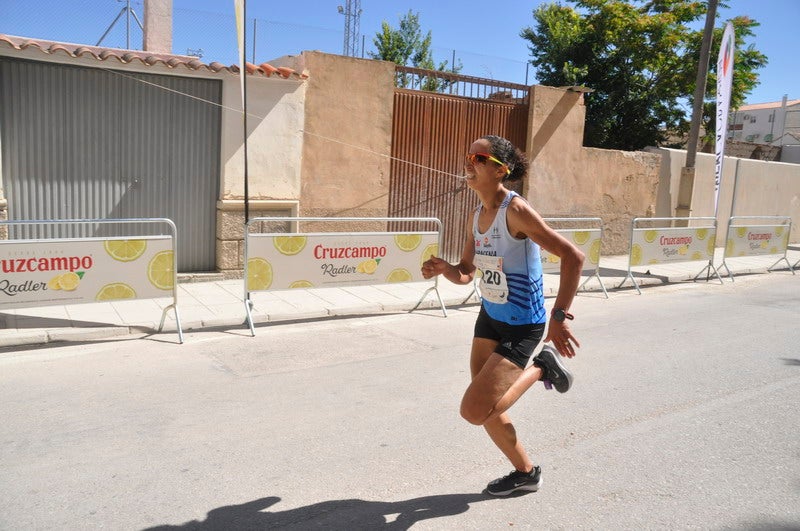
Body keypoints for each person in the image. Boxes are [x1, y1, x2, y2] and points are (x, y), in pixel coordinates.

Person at [421, 135, 584, 496]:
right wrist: (444, 268)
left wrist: (558, 317)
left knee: (475, 410)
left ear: (500, 170)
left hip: (523, 324)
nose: (469, 162)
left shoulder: (516, 210)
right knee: (488, 408)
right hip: (490, 317)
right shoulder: (476, 215)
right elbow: (466, 273)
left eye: (478, 157)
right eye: (468, 155)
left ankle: (543, 366)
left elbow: (574, 257)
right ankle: (526, 473)